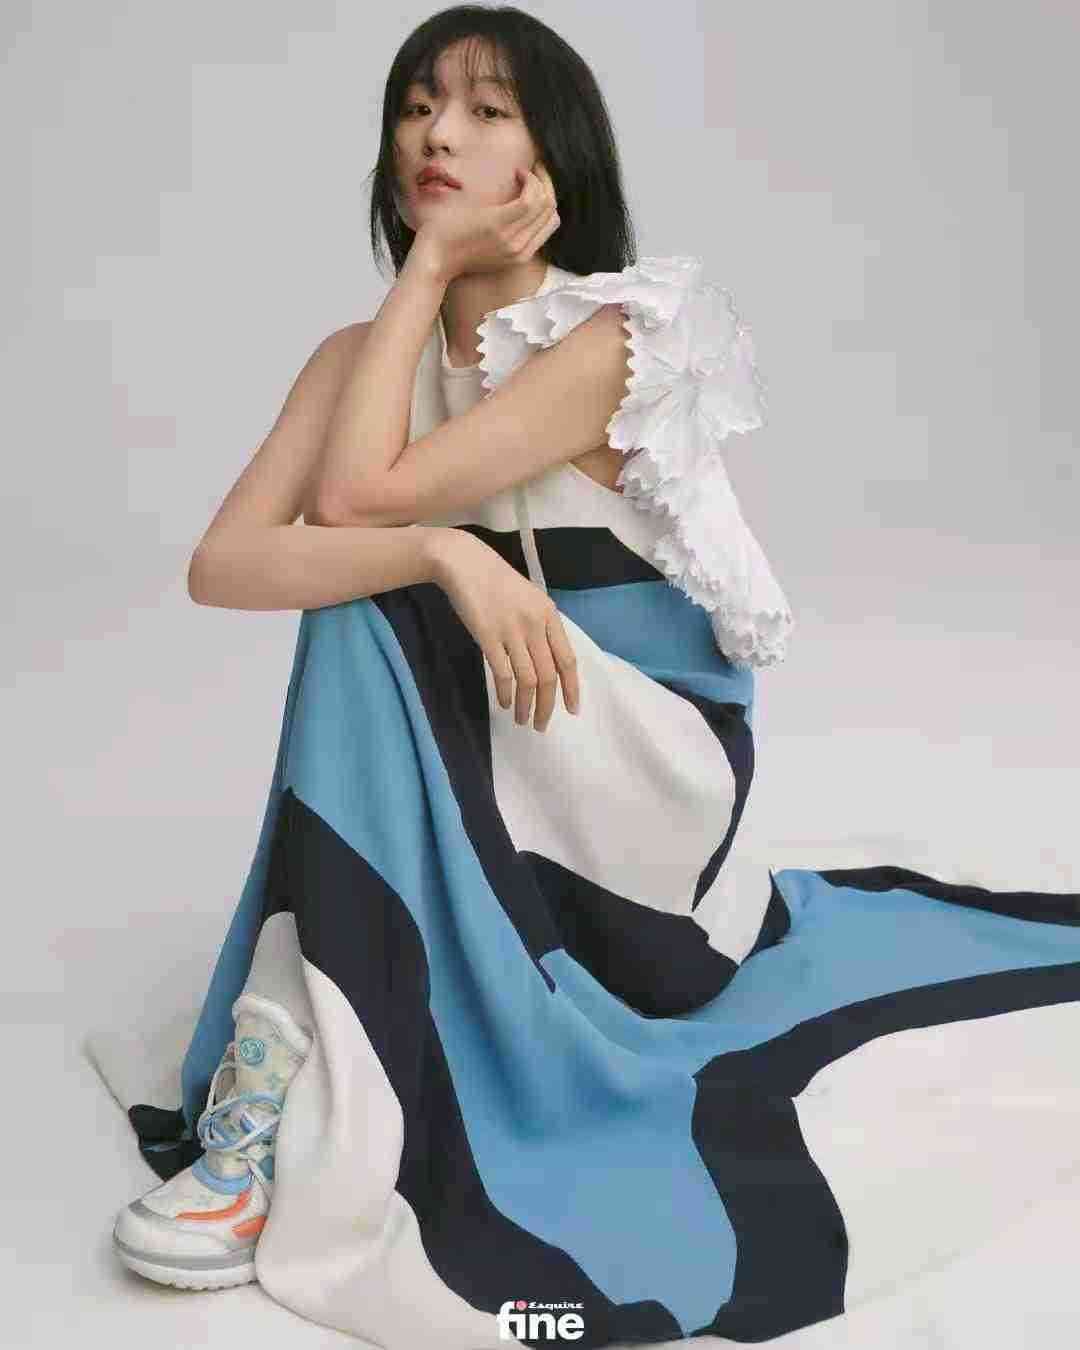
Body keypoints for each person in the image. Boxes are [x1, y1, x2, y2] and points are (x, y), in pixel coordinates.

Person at [94, 7, 1080, 1348]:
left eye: (487, 110)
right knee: (374, 599)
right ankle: (276, 1084)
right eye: (417, 107)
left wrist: (416, 527)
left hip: (640, 781)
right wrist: (446, 541)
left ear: (551, 162)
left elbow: (355, 498)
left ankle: (264, 1117)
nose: (439, 133)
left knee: (370, 597)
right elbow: (226, 563)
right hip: (492, 738)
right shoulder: (357, 362)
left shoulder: (603, 340)